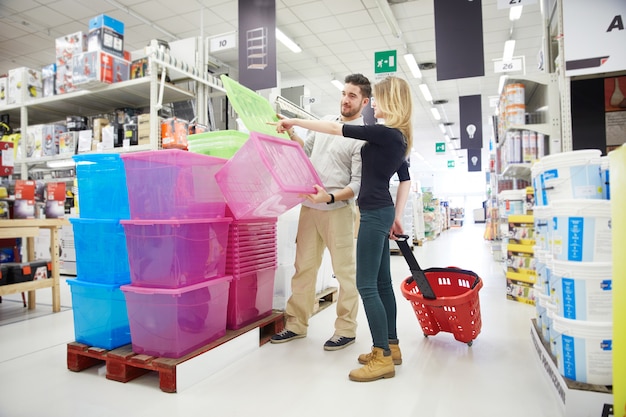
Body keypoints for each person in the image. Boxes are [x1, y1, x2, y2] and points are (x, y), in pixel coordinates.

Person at [272, 76, 413, 382]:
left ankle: (376, 352)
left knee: (362, 283)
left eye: (373, 97)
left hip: (361, 211)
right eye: (344, 93)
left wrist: (296, 118)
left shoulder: (377, 134)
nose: (373, 102)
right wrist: (398, 215)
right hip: (366, 209)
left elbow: (343, 141)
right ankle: (390, 346)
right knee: (379, 283)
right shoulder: (392, 135)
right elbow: (404, 177)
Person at [270, 74, 372, 351]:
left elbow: (357, 184)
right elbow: (306, 153)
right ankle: (296, 325)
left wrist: (329, 197)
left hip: (338, 211)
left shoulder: (361, 138)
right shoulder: (326, 123)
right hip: (309, 208)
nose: (345, 100)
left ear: (364, 102)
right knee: (303, 268)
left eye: (352, 96)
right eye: (344, 93)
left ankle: (346, 330)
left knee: (345, 273)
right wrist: (291, 134)